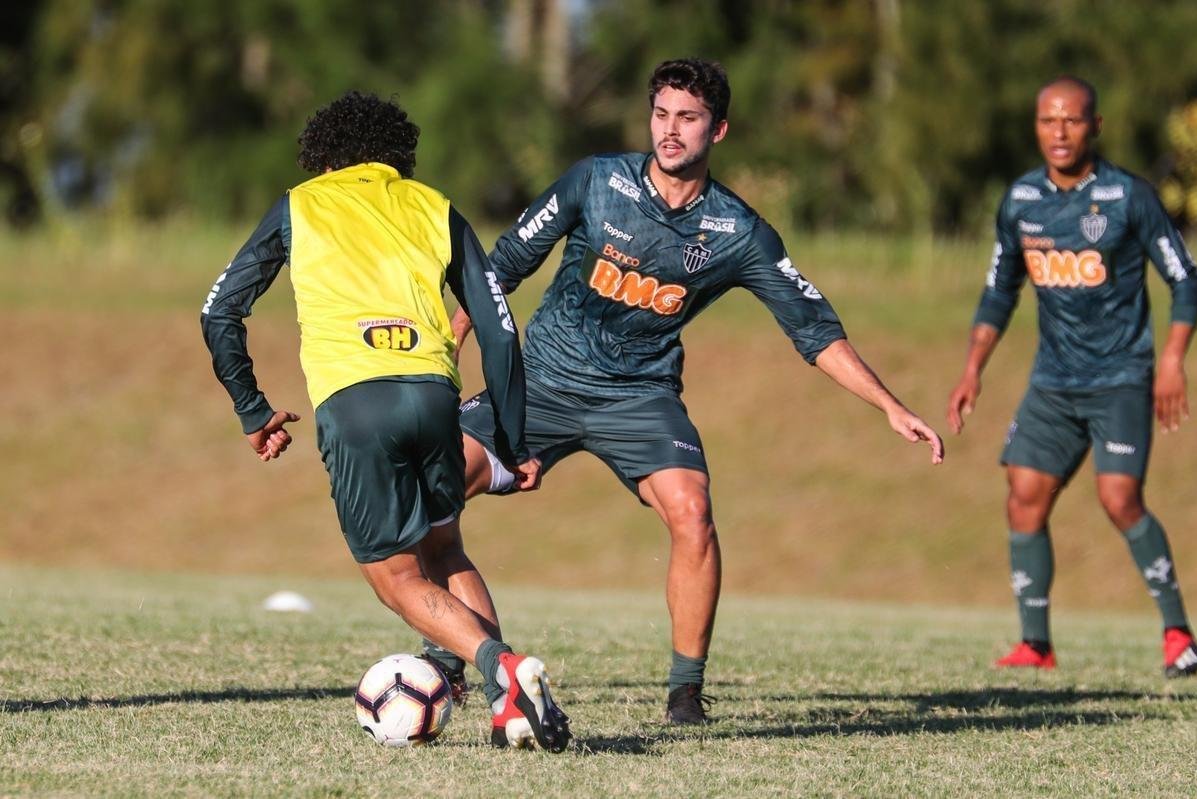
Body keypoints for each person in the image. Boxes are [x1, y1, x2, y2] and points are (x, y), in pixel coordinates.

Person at [435, 58, 944, 724]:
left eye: (689, 118)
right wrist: (443, 360)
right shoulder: (596, 181)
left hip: (641, 397)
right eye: (662, 114)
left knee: (693, 511)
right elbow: (497, 270)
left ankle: (685, 694)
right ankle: (457, 656)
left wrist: (891, 406)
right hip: (543, 383)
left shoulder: (738, 232)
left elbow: (814, 330)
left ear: (719, 130)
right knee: (437, 484)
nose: (671, 131)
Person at [200, 91, 571, 750]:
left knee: (398, 579)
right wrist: (511, 441)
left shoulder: (301, 205)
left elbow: (219, 312)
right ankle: (507, 705)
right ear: (398, 157)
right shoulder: (434, 207)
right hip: (433, 394)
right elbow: (499, 330)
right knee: (444, 548)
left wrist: (253, 408)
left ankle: (504, 669)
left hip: (355, 402)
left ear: (322, 161)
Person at [947, 76, 1197, 678]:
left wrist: (1171, 360)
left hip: (1121, 376)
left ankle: (1178, 636)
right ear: (1036, 127)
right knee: (1024, 498)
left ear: (1095, 126)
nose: (1059, 132)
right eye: (1047, 121)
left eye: (1072, 120)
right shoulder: (1020, 201)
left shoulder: (1128, 196)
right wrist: (972, 370)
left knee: (1118, 498)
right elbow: (997, 292)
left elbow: (1186, 278)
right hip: (1054, 383)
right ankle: (1036, 644)